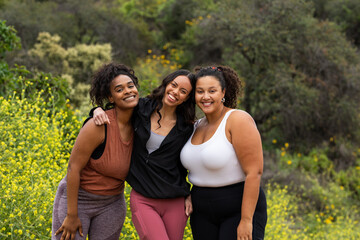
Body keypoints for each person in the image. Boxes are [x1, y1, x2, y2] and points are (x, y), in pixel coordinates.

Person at [91, 69, 196, 240]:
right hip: (143, 198)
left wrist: (191, 193)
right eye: (174, 85)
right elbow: (118, 109)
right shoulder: (141, 108)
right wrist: (96, 110)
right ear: (166, 84)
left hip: (175, 200)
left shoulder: (187, 127)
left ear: (187, 98)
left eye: (183, 91)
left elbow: (192, 163)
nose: (175, 92)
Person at [51, 63, 140, 240]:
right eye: (119, 89)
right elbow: (73, 168)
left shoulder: (143, 120)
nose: (128, 91)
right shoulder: (98, 125)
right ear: (111, 97)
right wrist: (72, 215)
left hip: (112, 203)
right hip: (79, 199)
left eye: (131, 86)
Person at [180, 66, 267, 240]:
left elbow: (254, 172)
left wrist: (246, 220)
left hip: (237, 207)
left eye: (212, 91)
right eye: (200, 91)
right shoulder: (195, 126)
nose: (206, 97)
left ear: (223, 92)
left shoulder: (237, 119)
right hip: (201, 211)